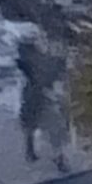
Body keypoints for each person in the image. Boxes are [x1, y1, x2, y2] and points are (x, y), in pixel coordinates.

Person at [18, 33, 70, 170]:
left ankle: (54, 157)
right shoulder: (44, 61)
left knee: (38, 125)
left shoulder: (41, 61)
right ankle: (55, 157)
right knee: (49, 127)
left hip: (38, 96)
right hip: (41, 97)